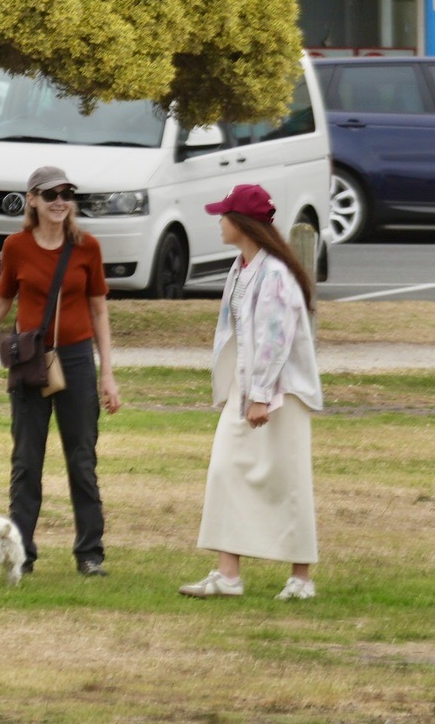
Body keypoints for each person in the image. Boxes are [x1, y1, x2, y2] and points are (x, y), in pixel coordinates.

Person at [0, 165, 121, 576]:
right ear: (31, 199)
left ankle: (90, 553)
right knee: (27, 462)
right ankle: (22, 552)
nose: (60, 202)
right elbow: (0, 304)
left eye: (67, 193)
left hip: (76, 360)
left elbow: (99, 310)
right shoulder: (16, 246)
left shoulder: (87, 247)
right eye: (50, 195)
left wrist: (107, 374)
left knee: (81, 460)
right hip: (31, 361)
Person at [180, 182, 322, 601]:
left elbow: (275, 340)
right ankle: (228, 575)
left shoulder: (275, 274)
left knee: (288, 478)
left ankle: (301, 578)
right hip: (250, 386)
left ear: (241, 223)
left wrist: (261, 395)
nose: (219, 222)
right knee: (225, 471)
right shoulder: (243, 268)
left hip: (281, 392)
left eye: (224, 215)